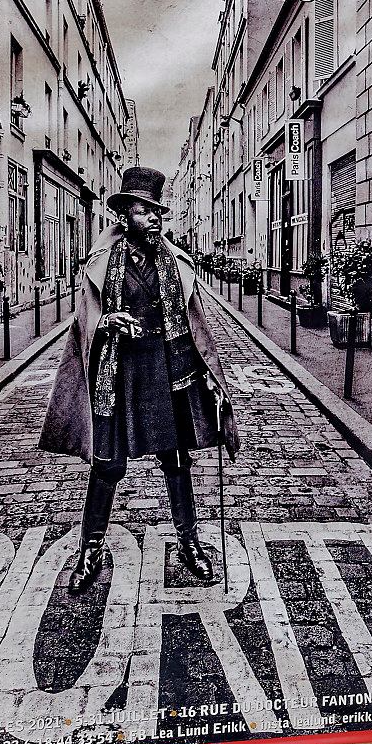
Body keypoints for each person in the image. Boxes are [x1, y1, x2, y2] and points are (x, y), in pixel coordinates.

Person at [39, 165, 240, 595]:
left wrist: (211, 381)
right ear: (124, 215)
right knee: (107, 465)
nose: (154, 219)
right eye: (144, 211)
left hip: (169, 372)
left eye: (157, 212)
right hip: (119, 374)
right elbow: (84, 324)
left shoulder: (173, 261)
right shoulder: (103, 263)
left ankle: (189, 544)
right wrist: (108, 320)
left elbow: (196, 326)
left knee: (177, 460)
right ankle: (90, 549)